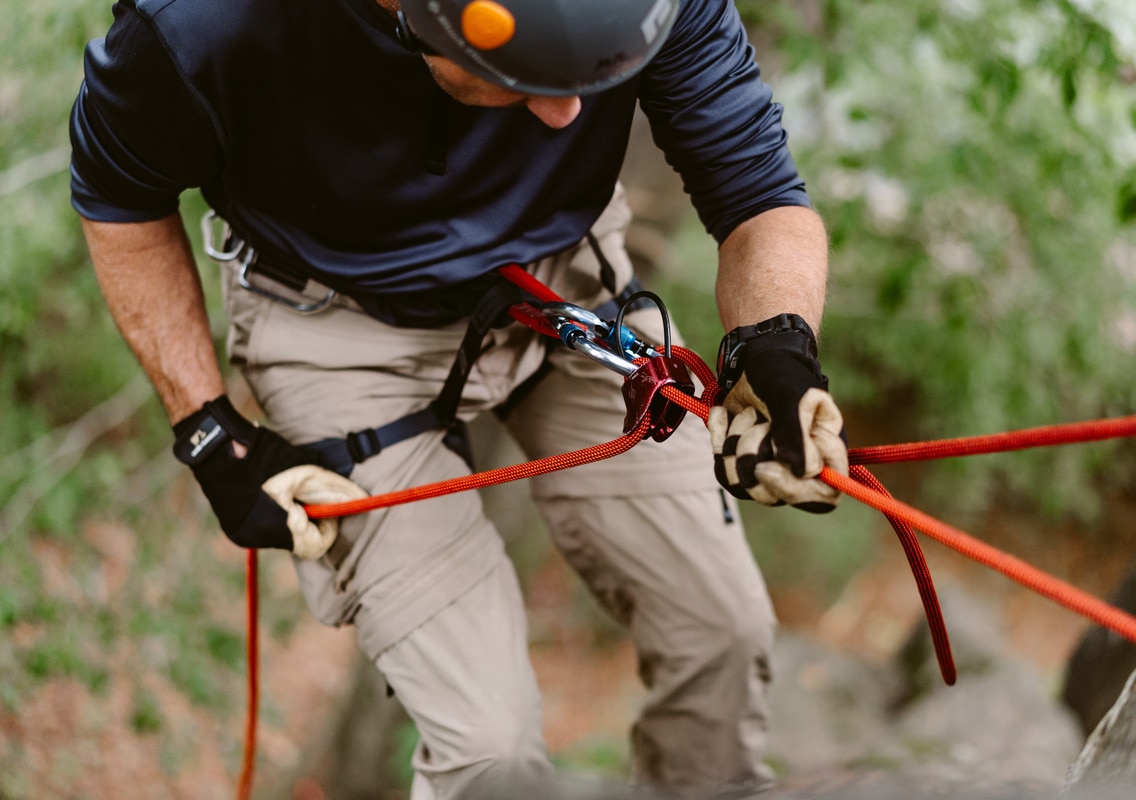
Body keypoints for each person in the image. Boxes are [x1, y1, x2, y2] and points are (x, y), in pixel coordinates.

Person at [69, 0, 849, 796]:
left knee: (723, 635)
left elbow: (757, 190)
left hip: (564, 286)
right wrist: (207, 429)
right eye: (532, 75)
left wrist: (775, 344)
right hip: (335, 323)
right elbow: (119, 196)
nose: (567, 111)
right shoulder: (202, 22)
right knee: (490, 755)